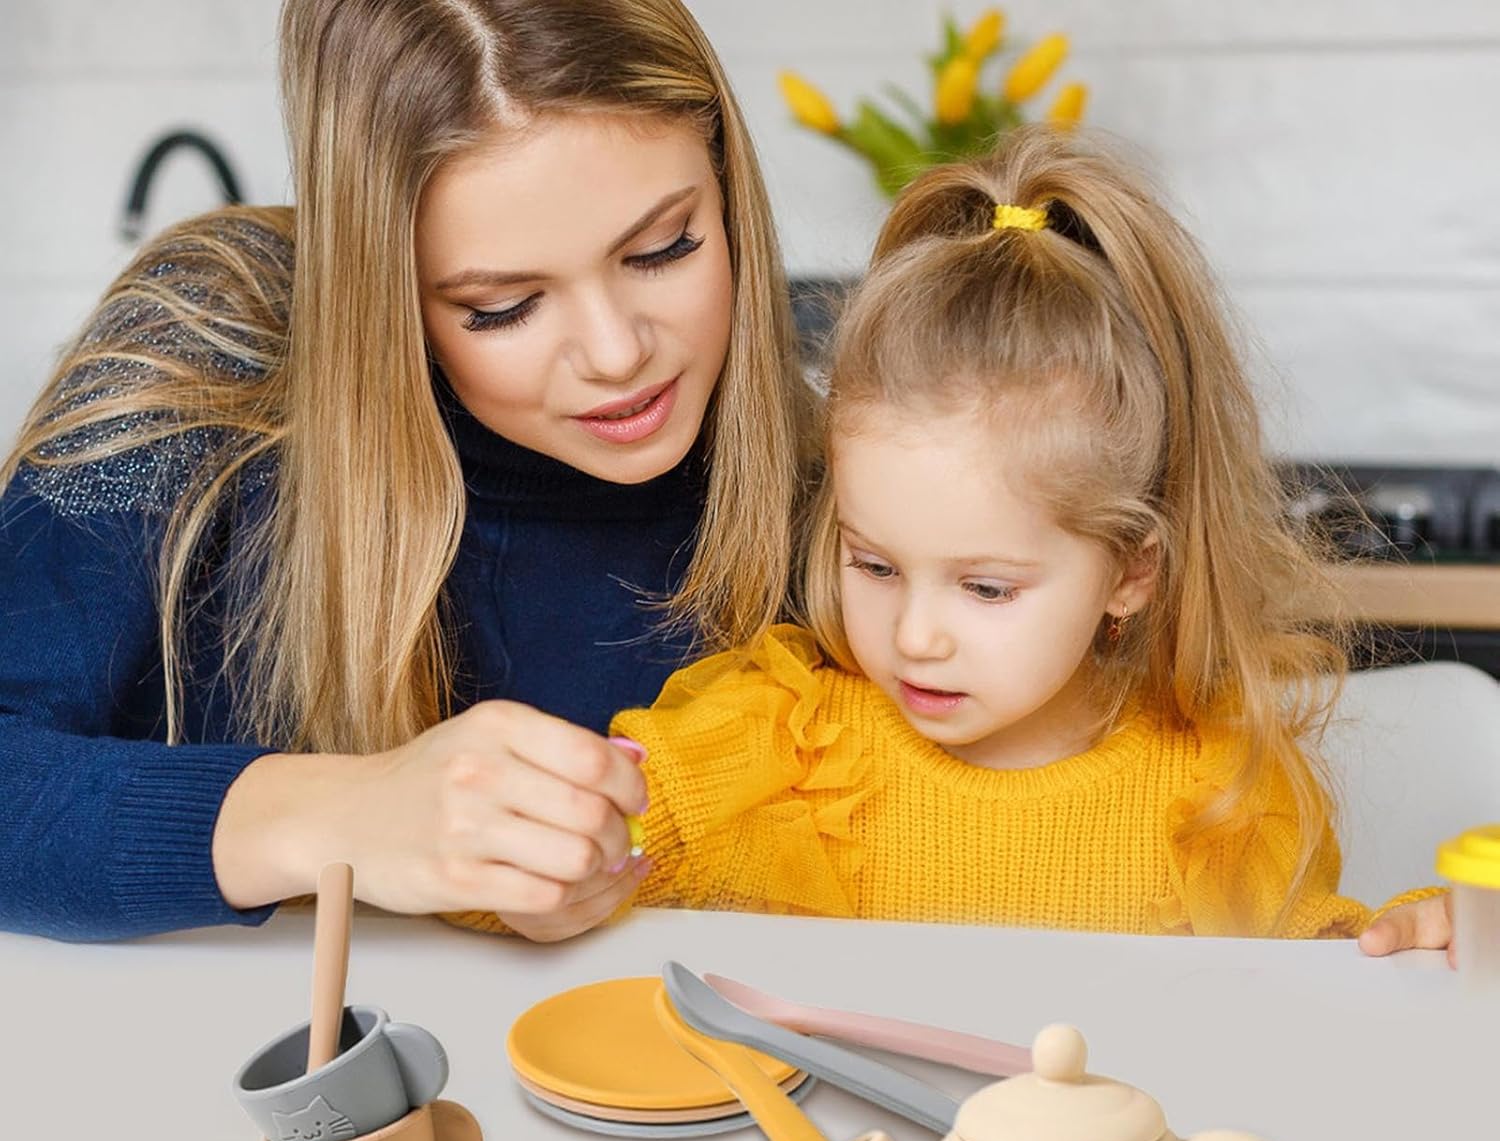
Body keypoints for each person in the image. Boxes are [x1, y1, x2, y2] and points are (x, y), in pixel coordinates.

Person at [450, 126, 1450, 952]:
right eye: (875, 565)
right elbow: (517, 874)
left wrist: (1411, 944)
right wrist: (482, 842)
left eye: (986, 589)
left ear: (1130, 571)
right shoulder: (778, 742)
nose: (915, 636)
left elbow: (1308, 989)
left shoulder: (1217, 796)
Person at [0, 0, 816, 942]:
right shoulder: (207, 340)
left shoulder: (837, 465)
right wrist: (340, 815)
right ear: (381, 287)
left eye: (662, 249)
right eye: (503, 306)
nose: (615, 353)